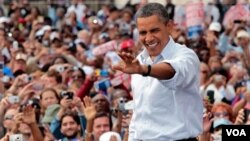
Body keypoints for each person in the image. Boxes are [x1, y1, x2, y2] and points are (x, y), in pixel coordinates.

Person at [112, 3, 203, 141]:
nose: (148, 38)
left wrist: (144, 70)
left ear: (169, 26)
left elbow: (173, 72)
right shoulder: (138, 61)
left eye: (154, 30)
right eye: (143, 32)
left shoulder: (186, 56)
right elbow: (139, 113)